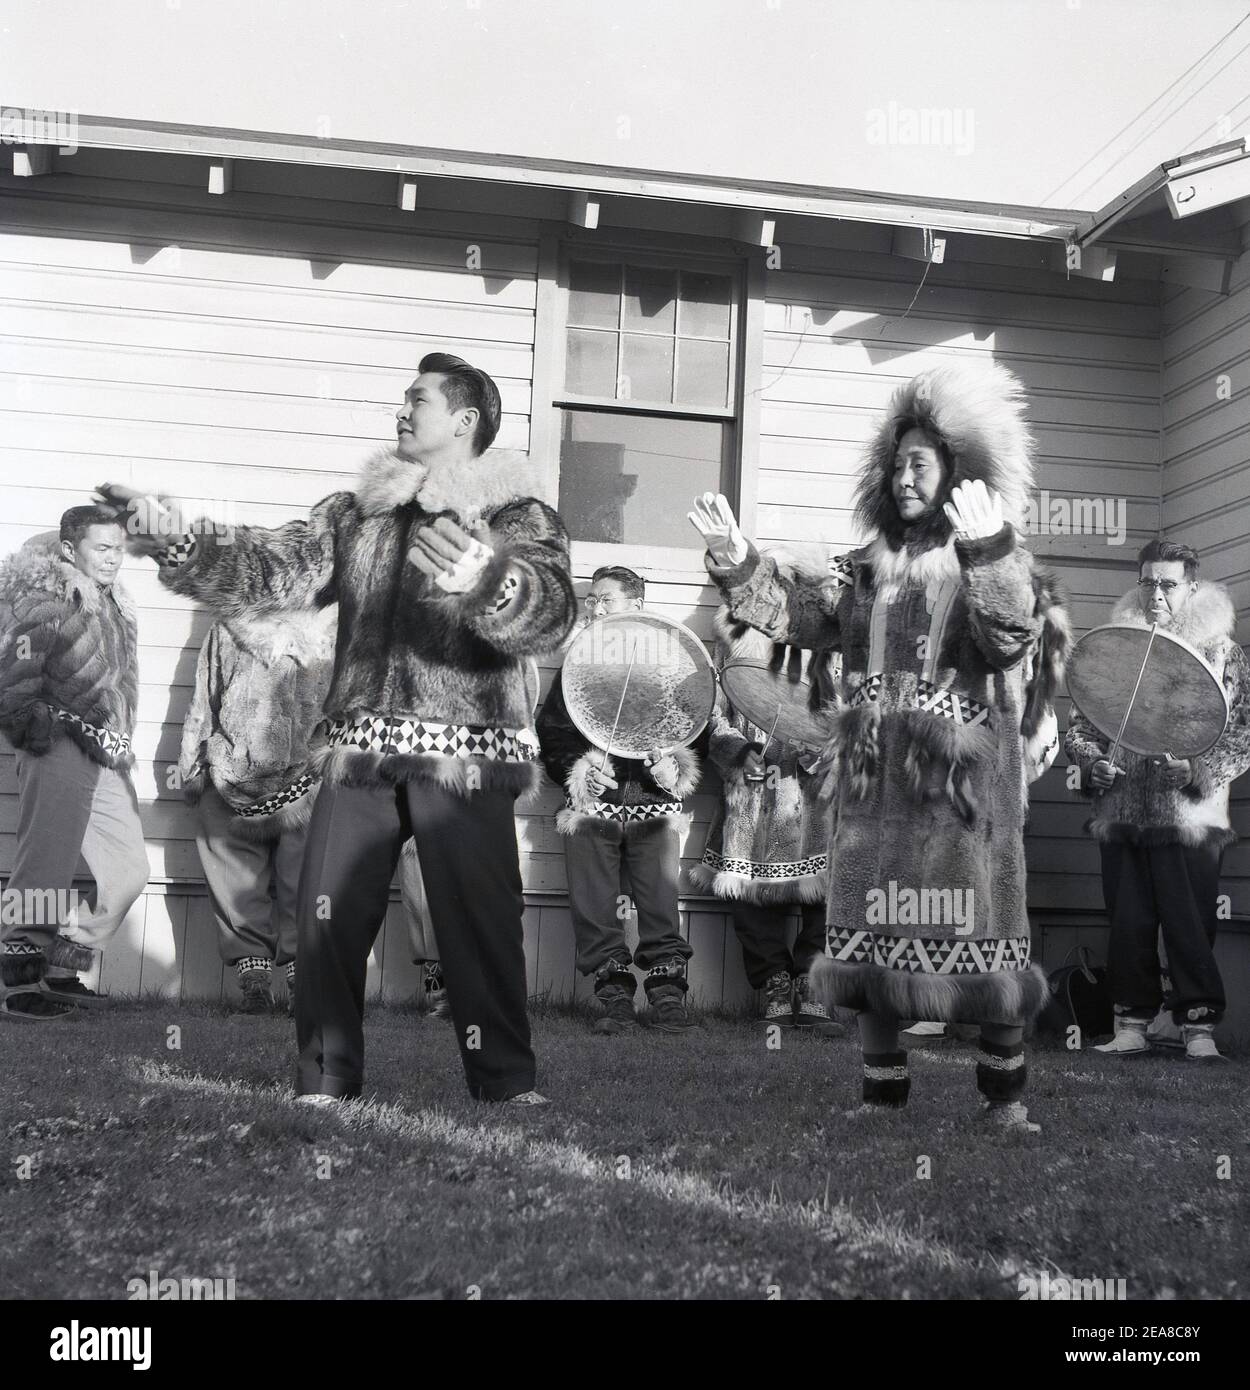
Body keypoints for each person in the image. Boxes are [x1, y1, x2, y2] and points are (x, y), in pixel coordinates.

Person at [100, 353, 576, 1104]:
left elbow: (550, 613)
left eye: (417, 398)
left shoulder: (517, 517)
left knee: (479, 926)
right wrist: (175, 540)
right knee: (326, 915)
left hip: (468, 756)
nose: (401, 410)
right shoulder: (355, 515)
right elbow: (269, 569)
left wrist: (489, 581)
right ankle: (325, 1078)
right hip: (360, 751)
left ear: (465, 420)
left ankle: (507, 1083)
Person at [691, 364, 1067, 1132]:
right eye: (896, 464)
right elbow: (798, 618)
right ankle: (882, 1097)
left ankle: (1004, 1102)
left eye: (921, 463)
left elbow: (1009, 642)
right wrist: (739, 559)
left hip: (960, 793)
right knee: (870, 943)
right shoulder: (863, 572)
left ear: (962, 473)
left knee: (980, 936)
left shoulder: (992, 562)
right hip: (871, 791)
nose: (903, 477)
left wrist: (989, 549)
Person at [1064, 538, 1250, 1062]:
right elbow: (1083, 724)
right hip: (1123, 811)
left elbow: (1243, 733)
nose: (1156, 594)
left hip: (1191, 814)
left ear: (1191, 586)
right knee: (1128, 924)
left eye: (1167, 584)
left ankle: (1198, 1028)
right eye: (1147, 582)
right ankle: (1131, 1024)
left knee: (1190, 926)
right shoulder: (1115, 647)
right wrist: (1089, 763)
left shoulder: (1220, 651)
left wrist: (1199, 770)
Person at [536, 566, 704, 1034]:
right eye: (591, 601)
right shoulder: (580, 663)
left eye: (606, 599)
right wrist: (578, 770)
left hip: (653, 803)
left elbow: (697, 723)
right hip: (593, 807)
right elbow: (552, 730)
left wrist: (676, 765)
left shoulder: (672, 662)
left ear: (637, 606)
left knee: (660, 902)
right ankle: (613, 997)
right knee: (594, 904)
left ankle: (668, 996)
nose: (595, 608)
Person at [0, 508, 149, 1019]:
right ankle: (15, 985)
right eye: (101, 549)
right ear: (70, 550)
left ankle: (62, 967)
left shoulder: (114, 605)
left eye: (118, 548)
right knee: (45, 865)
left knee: (129, 871)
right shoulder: (47, 596)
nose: (113, 558)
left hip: (105, 748)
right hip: (57, 738)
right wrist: (33, 726)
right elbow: (14, 667)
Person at [691, 546, 844, 1036]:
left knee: (828, 894)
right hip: (755, 787)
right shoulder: (734, 646)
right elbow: (710, 714)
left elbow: (855, 714)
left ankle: (814, 984)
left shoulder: (835, 649)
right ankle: (775, 984)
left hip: (819, 791)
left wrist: (828, 751)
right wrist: (737, 754)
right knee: (752, 893)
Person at [180, 607, 337, 1015]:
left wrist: (331, 759)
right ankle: (254, 981)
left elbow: (342, 703)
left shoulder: (329, 627)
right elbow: (205, 693)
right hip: (230, 770)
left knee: (304, 884)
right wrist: (193, 764)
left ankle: (304, 982)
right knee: (235, 883)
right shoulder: (228, 623)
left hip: (303, 776)